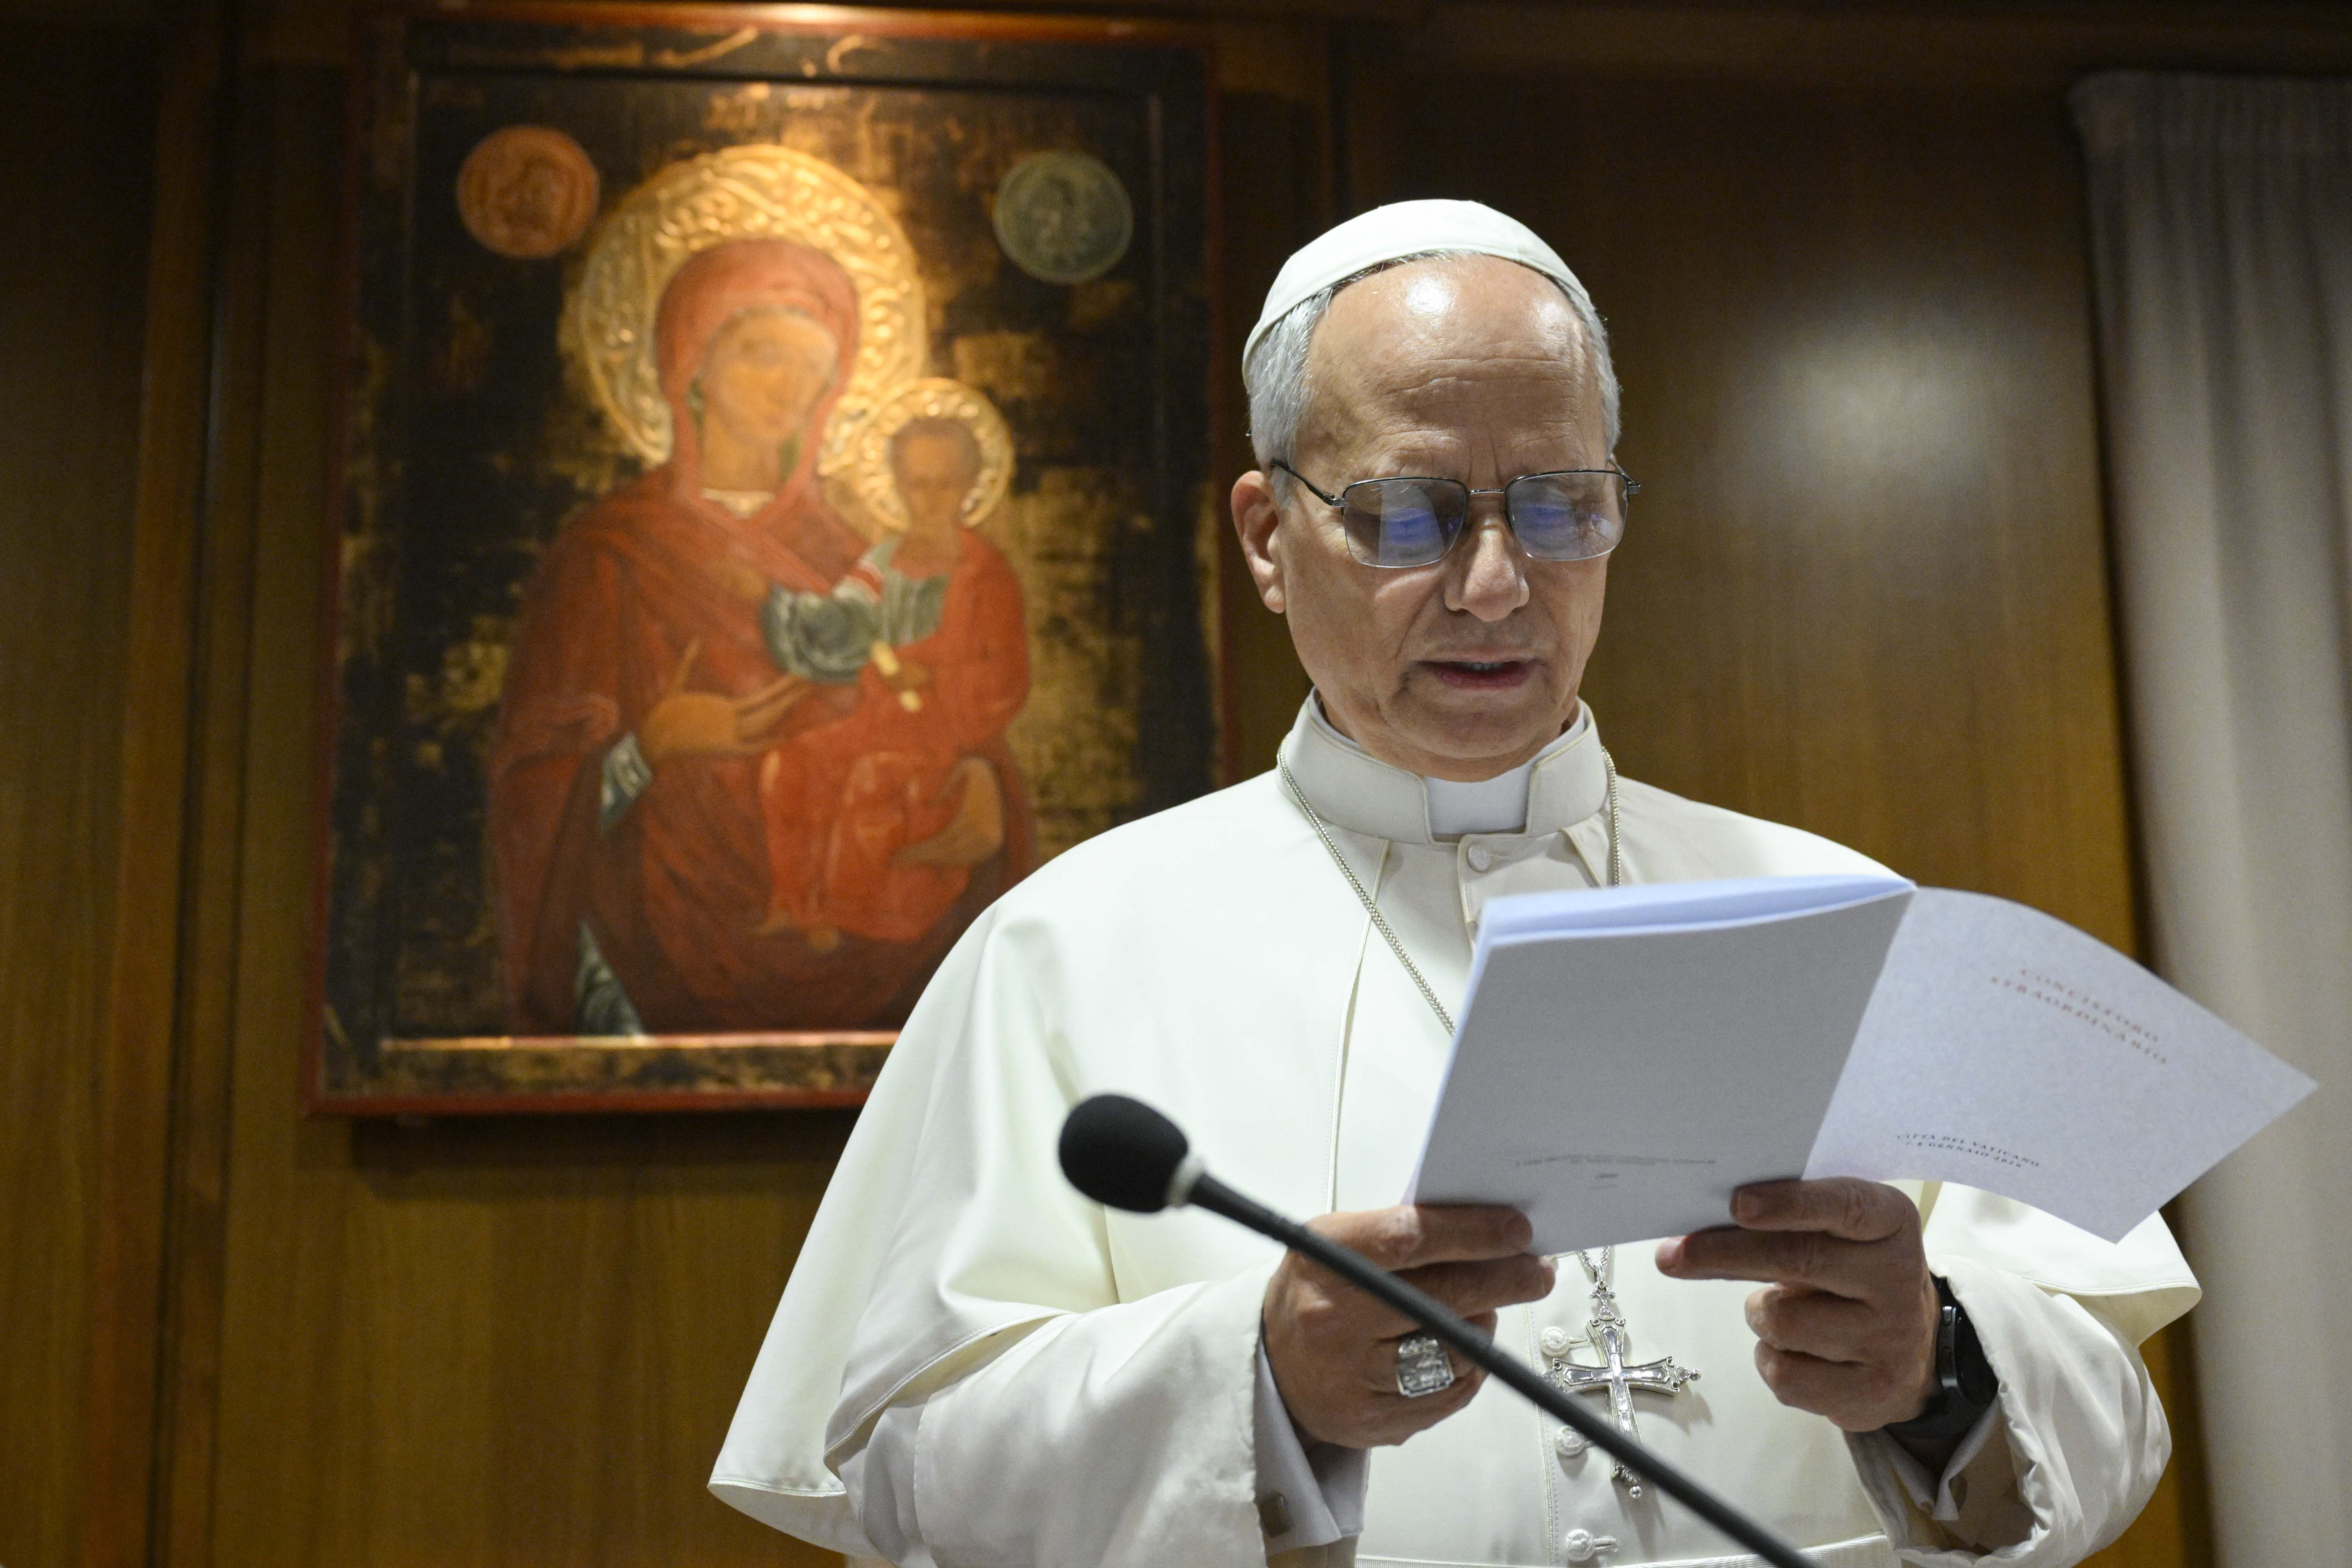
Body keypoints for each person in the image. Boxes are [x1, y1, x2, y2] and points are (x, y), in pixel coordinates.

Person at [711, 202, 2196, 1567]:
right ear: (1265, 538)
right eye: (1408, 515)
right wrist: (1256, 1381)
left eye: (1557, 507)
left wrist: (1934, 1362)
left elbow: (2116, 1415)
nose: (1496, 583)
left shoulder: (1853, 907)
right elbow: (902, 1477)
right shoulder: (1056, 946)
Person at [488, 238, 1018, 1035]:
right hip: (652, 944)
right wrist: (650, 747)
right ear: (689, 359)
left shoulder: (855, 556)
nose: (789, 386)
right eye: (761, 352)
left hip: (871, 934)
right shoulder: (607, 558)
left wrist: (982, 785)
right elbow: (532, 806)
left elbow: (943, 702)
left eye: (814, 365)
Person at [751, 416, 1033, 950]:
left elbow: (1006, 680)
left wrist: (929, 672)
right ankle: (798, 906)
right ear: (899, 486)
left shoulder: (985, 573)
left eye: (945, 484)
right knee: (784, 766)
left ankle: (857, 920)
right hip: (878, 720)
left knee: (871, 782)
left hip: (947, 735)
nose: (929, 499)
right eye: (917, 484)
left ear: (970, 486)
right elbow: (844, 630)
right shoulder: (881, 563)